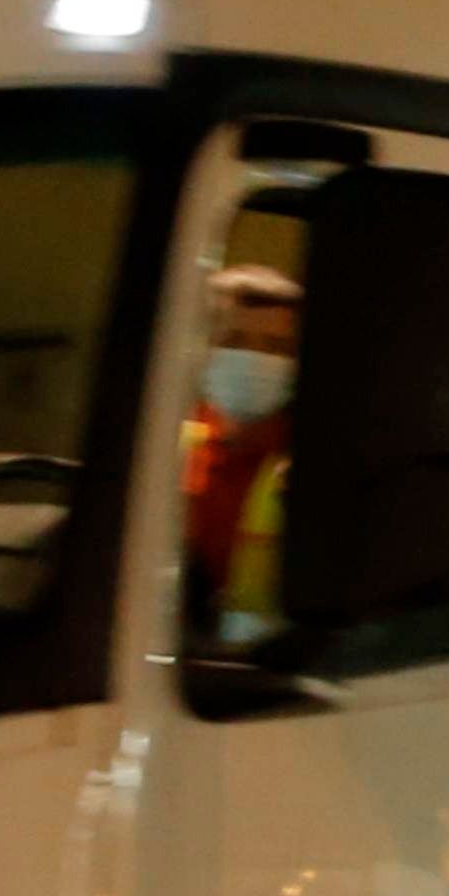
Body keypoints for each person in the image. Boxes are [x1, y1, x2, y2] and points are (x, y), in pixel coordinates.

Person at [179, 260, 306, 638]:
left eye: (276, 347)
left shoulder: (312, 463)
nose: (255, 360)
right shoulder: (168, 449)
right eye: (233, 341)